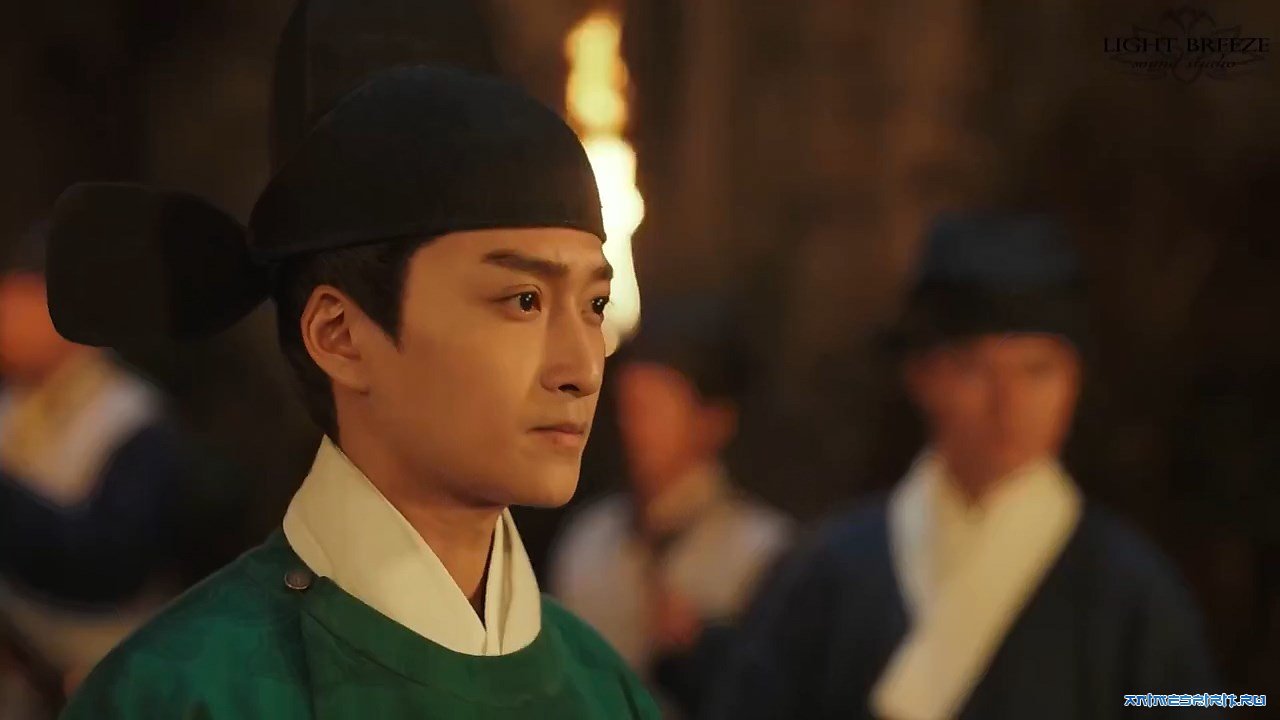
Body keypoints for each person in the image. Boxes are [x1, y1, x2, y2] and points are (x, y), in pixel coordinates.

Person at [49, 62, 658, 719]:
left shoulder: (604, 689)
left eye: (595, 305)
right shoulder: (181, 694)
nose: (582, 368)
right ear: (339, 335)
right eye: (524, 300)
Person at [706, 213, 1218, 720]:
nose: (1010, 402)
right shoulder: (832, 569)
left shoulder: (1131, 588)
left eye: (1038, 371)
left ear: (1074, 381)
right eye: (977, 370)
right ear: (922, 378)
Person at [549, 296, 792, 717]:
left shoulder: (764, 553)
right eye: (628, 407)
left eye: (656, 407)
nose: (635, 426)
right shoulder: (589, 538)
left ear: (713, 420)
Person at [0, 221, 195, 711]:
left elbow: (109, 566)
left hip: (103, 665)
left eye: (21, 302)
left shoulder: (130, 417)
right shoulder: (12, 404)